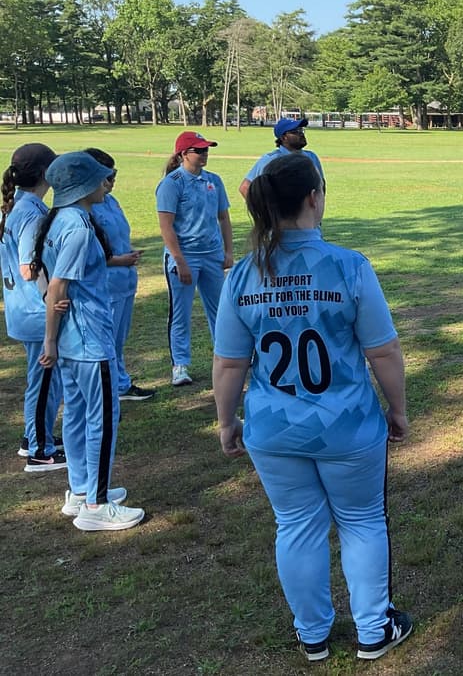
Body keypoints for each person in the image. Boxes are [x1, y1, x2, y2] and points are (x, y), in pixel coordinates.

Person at [213, 153, 411, 662]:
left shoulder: (243, 276)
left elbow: (230, 363)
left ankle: (313, 634)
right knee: (362, 521)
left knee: (296, 524)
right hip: (347, 424)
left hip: (273, 427)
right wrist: (398, 408)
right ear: (313, 198)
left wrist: (225, 420)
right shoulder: (349, 266)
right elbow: (383, 351)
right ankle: (373, 628)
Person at [35, 151, 143, 530]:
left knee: (78, 414)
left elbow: (45, 280)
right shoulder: (79, 228)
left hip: (73, 341)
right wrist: (49, 339)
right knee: (101, 418)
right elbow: (58, 286)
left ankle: (81, 490)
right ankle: (96, 506)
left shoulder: (59, 221)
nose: (106, 183)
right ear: (83, 185)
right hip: (88, 339)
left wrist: (54, 334)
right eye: (101, 178)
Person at [1, 143, 66, 470]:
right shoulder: (30, 213)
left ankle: (35, 437)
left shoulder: (15, 207)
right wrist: (51, 298)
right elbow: (29, 266)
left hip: (22, 310)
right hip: (36, 312)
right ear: (45, 173)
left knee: (43, 378)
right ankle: (40, 451)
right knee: (43, 380)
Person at [156, 131, 233, 386]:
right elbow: (166, 226)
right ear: (183, 154)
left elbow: (223, 218)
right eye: (199, 150)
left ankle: (226, 354)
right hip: (185, 256)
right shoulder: (172, 183)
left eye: (206, 150)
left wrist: (228, 251)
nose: (204, 154)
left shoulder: (214, 181)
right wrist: (179, 260)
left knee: (221, 310)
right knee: (181, 312)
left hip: (211, 255)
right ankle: (180, 365)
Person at [85, 148, 155, 402]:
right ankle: (107, 392)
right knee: (105, 341)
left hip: (125, 280)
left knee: (118, 339)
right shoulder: (86, 208)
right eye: (108, 176)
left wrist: (128, 255)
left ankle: (120, 384)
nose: (112, 181)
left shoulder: (111, 201)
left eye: (114, 174)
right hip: (105, 283)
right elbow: (85, 252)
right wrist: (117, 260)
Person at [238, 116, 324, 200]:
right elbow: (245, 187)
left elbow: (321, 186)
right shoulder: (271, 160)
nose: (301, 133)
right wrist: (263, 212)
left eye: (301, 130)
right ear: (283, 138)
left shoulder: (312, 157)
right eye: (295, 131)